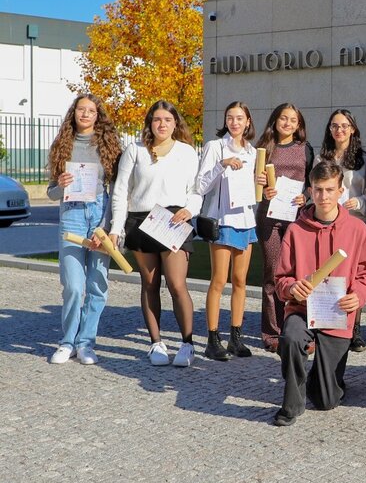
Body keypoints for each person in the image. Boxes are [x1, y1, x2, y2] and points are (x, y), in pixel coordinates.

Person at [271, 161, 366, 426]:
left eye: (330, 190)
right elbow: (281, 279)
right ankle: (291, 404)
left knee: (326, 400)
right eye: (318, 190)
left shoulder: (358, 230)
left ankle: (324, 381)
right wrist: (292, 287)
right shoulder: (296, 230)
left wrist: (358, 296)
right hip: (302, 309)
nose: (324, 196)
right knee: (291, 337)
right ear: (310, 190)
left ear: (340, 191)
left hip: (337, 315)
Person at [110, 100, 202, 367]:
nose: (162, 124)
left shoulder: (186, 152)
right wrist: (116, 229)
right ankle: (156, 343)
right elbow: (120, 192)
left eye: (168, 120)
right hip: (141, 221)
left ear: (175, 123)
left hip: (173, 220)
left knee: (176, 284)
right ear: (150, 123)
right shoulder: (135, 150)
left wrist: (190, 209)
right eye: (157, 119)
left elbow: (196, 190)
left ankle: (187, 344)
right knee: (149, 284)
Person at [46, 94, 123, 365]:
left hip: (99, 214)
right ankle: (67, 342)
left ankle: (86, 343)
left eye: (91, 110)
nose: (86, 114)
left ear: (97, 115)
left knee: (97, 285)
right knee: (73, 286)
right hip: (72, 215)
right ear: (74, 112)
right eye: (82, 109)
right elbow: (51, 193)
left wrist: (105, 226)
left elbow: (116, 190)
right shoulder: (62, 145)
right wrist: (61, 185)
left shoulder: (108, 145)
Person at [194, 101, 259, 361]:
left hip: (245, 219)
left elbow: (254, 190)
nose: (234, 122)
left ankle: (236, 337)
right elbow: (201, 185)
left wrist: (261, 182)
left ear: (248, 121)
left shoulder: (253, 151)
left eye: (240, 118)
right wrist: (222, 164)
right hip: (222, 221)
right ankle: (213, 339)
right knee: (219, 280)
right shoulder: (215, 147)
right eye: (230, 117)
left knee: (241, 281)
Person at [254, 102, 314, 352]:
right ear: (275, 120)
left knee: (300, 275)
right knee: (272, 275)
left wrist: (305, 197)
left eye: (293, 120)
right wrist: (261, 187)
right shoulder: (263, 148)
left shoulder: (305, 149)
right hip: (269, 219)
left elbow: (311, 182)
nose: (288, 123)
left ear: (299, 124)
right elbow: (254, 184)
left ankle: (299, 330)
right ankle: (273, 333)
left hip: (297, 220)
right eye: (283, 118)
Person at [314, 108, 366, 352]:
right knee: (328, 271)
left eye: (344, 126)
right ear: (329, 130)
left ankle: (355, 330)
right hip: (327, 223)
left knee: (354, 274)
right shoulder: (321, 158)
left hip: (355, 223)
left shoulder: (364, 159)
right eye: (335, 126)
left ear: (353, 129)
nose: (339, 130)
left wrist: (359, 202)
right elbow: (314, 189)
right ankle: (325, 322)